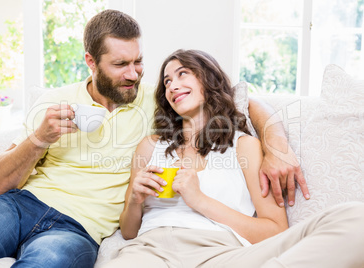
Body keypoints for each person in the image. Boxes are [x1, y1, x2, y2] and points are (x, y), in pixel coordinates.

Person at [0, 10, 305, 267]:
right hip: (21, 205)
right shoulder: (53, 101)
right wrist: (39, 139)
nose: (133, 74)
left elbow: (238, 98)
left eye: (139, 62)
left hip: (77, 229)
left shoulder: (156, 102)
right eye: (121, 64)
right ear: (91, 63)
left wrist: (276, 143)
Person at [102, 49, 364, 268]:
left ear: (208, 79)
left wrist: (199, 200)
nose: (173, 85)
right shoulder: (150, 146)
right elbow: (128, 231)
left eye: (183, 74)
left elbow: (274, 230)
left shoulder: (244, 146)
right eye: (167, 81)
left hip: (222, 254)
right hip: (150, 252)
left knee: (356, 219)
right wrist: (135, 201)